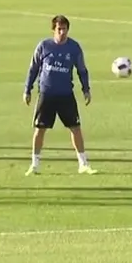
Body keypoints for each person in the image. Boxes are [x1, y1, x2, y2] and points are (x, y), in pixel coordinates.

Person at [23, 15, 96, 176]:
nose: (62, 32)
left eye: (64, 29)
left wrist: (86, 89)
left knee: (75, 128)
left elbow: (82, 70)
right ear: (53, 30)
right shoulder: (44, 46)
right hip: (46, 94)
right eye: (59, 29)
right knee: (39, 129)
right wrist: (27, 89)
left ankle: (83, 163)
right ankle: (35, 164)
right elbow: (33, 69)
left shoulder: (74, 48)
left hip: (65, 95)